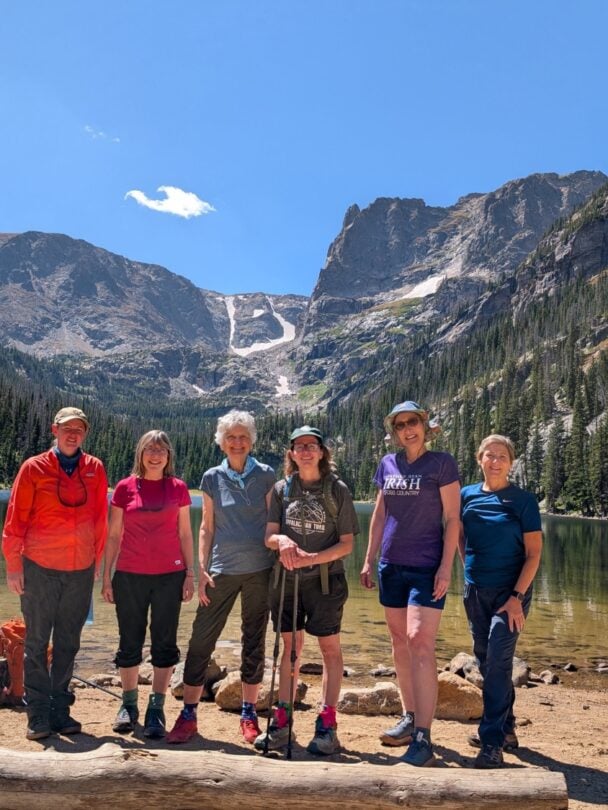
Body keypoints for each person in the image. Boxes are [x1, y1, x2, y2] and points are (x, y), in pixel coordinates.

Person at [360, 400, 460, 767]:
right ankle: (409, 716)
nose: (407, 429)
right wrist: (369, 558)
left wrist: (446, 567)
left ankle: (423, 736)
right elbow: (380, 513)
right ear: (395, 431)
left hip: (426, 567)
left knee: (420, 640)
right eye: (400, 424)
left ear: (425, 425)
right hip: (391, 565)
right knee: (399, 641)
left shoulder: (442, 463)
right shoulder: (388, 463)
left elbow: (453, 518)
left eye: (412, 422)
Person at [166, 410, 275, 745]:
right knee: (201, 639)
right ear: (222, 442)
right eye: (231, 437)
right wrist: (202, 568)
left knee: (254, 640)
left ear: (251, 441)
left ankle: (249, 713)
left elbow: (273, 522)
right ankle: (188, 715)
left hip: (260, 570)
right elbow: (206, 527)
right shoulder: (212, 477)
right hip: (220, 571)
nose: (237, 442)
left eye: (243, 437)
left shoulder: (267, 475)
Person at [2, 407, 108, 741]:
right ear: (54, 430)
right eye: (67, 428)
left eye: (79, 429)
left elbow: (100, 519)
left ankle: (60, 710)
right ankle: (37, 714)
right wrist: (14, 567)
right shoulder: (33, 467)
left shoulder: (95, 468)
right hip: (39, 568)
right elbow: (15, 521)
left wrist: (97, 561)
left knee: (68, 642)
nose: (73, 434)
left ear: (85, 434)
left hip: (80, 569)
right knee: (36, 642)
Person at [254, 425, 359, 756]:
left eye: (311, 445)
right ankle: (282, 721)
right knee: (291, 648)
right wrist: (282, 541)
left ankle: (327, 724)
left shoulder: (337, 489)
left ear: (322, 452)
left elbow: (347, 544)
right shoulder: (282, 489)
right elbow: (269, 536)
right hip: (287, 581)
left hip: (326, 582)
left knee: (329, 650)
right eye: (299, 446)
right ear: (291, 454)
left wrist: (313, 558)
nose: (305, 451)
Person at [102, 430, 194, 738]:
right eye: (149, 450)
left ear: (168, 456)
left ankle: (156, 708)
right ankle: (128, 705)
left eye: (161, 450)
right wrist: (106, 576)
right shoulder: (125, 488)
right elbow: (113, 535)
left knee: (164, 642)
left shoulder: (178, 488)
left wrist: (190, 574)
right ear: (140, 454)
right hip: (129, 575)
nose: (155, 455)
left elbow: (185, 534)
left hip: (170, 575)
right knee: (129, 641)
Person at [460, 434, 542, 769]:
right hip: (476, 592)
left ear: (511, 462)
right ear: (479, 458)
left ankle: (491, 743)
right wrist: (467, 571)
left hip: (511, 594)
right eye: (490, 455)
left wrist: (516, 597)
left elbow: (534, 555)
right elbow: (460, 537)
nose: (495, 462)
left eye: (502, 456)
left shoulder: (523, 501)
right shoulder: (466, 495)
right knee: (486, 660)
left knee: (497, 658)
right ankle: (506, 728)